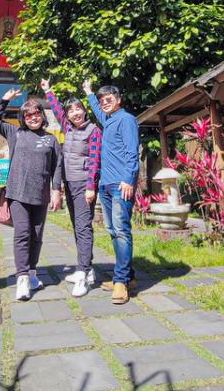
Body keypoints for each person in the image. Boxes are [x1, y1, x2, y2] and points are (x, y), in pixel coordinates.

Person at [0, 88, 63, 301]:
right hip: (17, 193)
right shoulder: (16, 133)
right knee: (22, 233)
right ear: (23, 118)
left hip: (40, 195)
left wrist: (56, 191)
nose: (33, 118)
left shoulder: (51, 140)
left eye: (37, 113)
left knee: (37, 236)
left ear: (43, 115)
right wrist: (4, 99)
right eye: (28, 115)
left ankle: (32, 272)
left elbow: (56, 168)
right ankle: (21, 278)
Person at [41, 78, 101, 297]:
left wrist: (90, 187)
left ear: (84, 111)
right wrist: (48, 91)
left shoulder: (93, 130)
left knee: (83, 227)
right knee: (77, 226)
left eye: (79, 109)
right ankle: (87, 268)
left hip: (84, 184)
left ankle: (83, 274)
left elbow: (94, 159)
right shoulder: (67, 127)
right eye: (71, 111)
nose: (75, 113)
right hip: (70, 183)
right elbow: (56, 109)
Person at [84, 79, 140, 305]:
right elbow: (97, 110)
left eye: (109, 100)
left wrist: (129, 180)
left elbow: (132, 152)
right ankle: (129, 276)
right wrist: (88, 92)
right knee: (112, 230)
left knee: (121, 231)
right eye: (101, 101)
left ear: (118, 100)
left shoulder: (126, 119)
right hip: (105, 185)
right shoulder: (108, 121)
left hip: (120, 185)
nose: (104, 104)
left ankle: (121, 281)